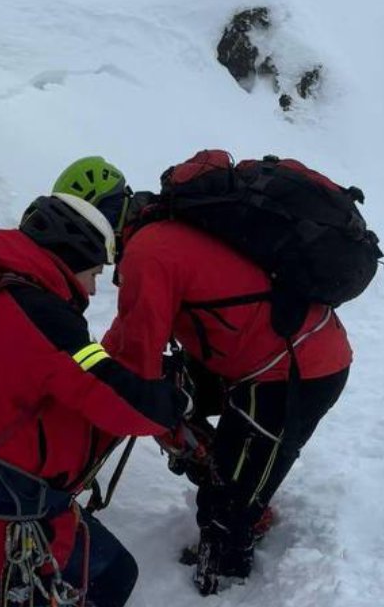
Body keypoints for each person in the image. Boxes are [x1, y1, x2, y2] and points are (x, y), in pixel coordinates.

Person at [0, 192, 188, 607]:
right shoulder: (43, 317)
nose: (94, 287)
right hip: (6, 524)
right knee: (112, 577)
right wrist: (173, 402)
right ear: (68, 259)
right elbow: (115, 397)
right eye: (93, 273)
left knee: (113, 573)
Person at [101, 159, 353, 594]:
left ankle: (227, 572)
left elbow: (136, 359)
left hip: (294, 372)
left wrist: (99, 397)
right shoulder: (165, 232)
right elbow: (126, 342)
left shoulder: (147, 251)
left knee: (228, 506)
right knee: (170, 395)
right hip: (268, 359)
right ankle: (221, 468)